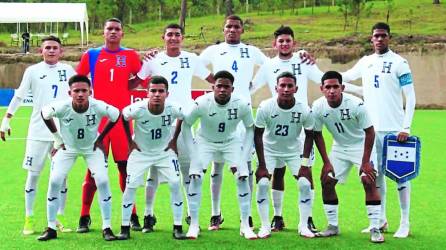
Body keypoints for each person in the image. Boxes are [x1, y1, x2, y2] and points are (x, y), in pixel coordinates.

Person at [251, 25, 362, 232]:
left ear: (294, 42)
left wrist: (359, 90)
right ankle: (277, 217)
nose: (284, 44)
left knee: (305, 172)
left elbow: (325, 79)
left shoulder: (303, 61)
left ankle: (308, 219)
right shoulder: (268, 65)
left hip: (301, 125)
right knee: (278, 173)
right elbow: (251, 87)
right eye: (281, 40)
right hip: (276, 124)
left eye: (288, 40)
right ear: (275, 44)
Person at [130, 23, 213, 231]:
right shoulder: (154, 59)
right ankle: (148, 215)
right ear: (163, 37)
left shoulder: (192, 58)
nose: (173, 38)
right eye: (170, 35)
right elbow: (133, 84)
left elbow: (213, 80)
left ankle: (190, 216)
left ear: (182, 38)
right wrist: (140, 62)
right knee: (154, 173)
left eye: (177, 35)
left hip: (184, 122)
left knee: (187, 171)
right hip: (158, 121)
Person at [342, 22, 416, 238]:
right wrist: (314, 69)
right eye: (376, 36)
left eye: (383, 35)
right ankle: (381, 219)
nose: (379, 39)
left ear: (389, 38)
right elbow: (346, 77)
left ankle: (405, 222)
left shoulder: (399, 63)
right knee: (376, 175)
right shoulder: (366, 62)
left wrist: (406, 126)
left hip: (395, 131)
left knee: (402, 176)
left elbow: (410, 96)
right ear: (371, 38)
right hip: (371, 132)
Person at [199, 14, 268, 230]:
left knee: (244, 167)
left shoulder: (252, 51)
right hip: (218, 112)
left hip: (242, 114)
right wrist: (215, 83)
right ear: (223, 29)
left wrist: (252, 87)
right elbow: (196, 66)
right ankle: (215, 213)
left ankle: (245, 216)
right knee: (216, 167)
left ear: (242, 30)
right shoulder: (213, 50)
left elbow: (270, 68)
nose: (232, 30)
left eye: (236, 27)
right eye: (228, 26)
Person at [0, 35, 75, 235]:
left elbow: (79, 96)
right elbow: (19, 96)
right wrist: (6, 119)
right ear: (40, 51)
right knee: (33, 176)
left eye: (54, 48)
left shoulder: (68, 71)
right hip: (37, 132)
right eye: (47, 48)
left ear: (61, 51)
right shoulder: (32, 71)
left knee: (62, 177)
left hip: (63, 133)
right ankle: (29, 217)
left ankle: (59, 216)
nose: (51, 51)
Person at [76, 17, 142, 232]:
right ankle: (84, 216)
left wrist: (126, 88)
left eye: (117, 29)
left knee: (126, 168)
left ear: (122, 33)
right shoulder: (92, 55)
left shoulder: (130, 55)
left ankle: (131, 214)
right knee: (93, 170)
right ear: (103, 32)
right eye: (109, 29)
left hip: (122, 120)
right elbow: (79, 81)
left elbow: (139, 80)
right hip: (98, 120)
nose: (113, 32)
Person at [37, 75, 120, 241]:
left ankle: (107, 227)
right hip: (68, 148)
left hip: (91, 148)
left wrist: (101, 137)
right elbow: (45, 113)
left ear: (90, 92)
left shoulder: (97, 105)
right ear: (70, 92)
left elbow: (116, 114)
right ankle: (51, 227)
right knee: (55, 181)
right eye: (76, 91)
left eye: (84, 90)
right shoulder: (63, 107)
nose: (80, 94)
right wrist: (57, 138)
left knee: (103, 181)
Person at [312, 71, 384, 243]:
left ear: (342, 88)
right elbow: (317, 134)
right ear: (322, 89)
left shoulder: (356, 104)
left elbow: (370, 132)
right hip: (339, 147)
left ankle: (375, 228)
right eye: (328, 87)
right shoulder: (318, 106)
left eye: (335, 86)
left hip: (362, 145)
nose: (332, 91)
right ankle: (333, 226)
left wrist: (366, 162)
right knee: (327, 181)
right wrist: (326, 162)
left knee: (368, 180)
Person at [183, 70, 256, 239]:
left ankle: (245, 225)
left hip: (231, 142)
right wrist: (193, 155)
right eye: (219, 86)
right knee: (195, 176)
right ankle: (194, 224)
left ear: (232, 89)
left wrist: (244, 157)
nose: (222, 90)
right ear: (213, 87)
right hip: (205, 142)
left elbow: (250, 128)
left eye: (226, 87)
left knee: (242, 176)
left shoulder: (242, 104)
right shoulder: (201, 102)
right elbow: (186, 125)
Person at [117, 76, 187, 240]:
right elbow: (123, 116)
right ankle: (124, 227)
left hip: (164, 152)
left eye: (160, 91)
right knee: (131, 186)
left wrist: (174, 140)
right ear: (147, 93)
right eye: (153, 91)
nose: (157, 94)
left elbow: (182, 117)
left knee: (176, 183)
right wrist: (130, 142)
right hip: (141, 152)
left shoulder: (173, 108)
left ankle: (178, 227)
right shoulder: (138, 108)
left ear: (167, 94)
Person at [254, 72, 316, 238]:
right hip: (269, 150)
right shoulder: (265, 106)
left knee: (304, 184)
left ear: (296, 88)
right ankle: (265, 226)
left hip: (293, 151)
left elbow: (310, 135)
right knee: (262, 184)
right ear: (276, 88)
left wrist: (304, 164)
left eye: (290, 86)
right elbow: (257, 134)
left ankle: (303, 226)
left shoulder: (304, 109)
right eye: (282, 85)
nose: (286, 89)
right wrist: (261, 165)